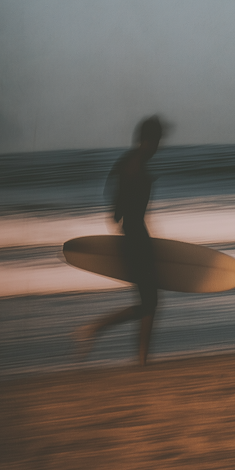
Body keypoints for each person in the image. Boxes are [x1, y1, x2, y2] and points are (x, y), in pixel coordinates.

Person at [75, 116, 164, 366]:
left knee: (149, 303)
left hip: (135, 236)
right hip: (136, 239)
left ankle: (141, 360)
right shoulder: (135, 167)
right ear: (147, 140)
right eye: (157, 141)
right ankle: (94, 329)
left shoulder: (130, 162)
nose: (159, 146)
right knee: (149, 302)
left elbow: (115, 213)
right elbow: (124, 210)